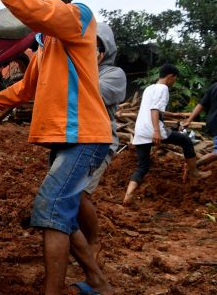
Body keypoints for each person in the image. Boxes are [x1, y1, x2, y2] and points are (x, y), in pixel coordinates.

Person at [0, 0, 115, 294]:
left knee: (51, 207)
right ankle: (97, 282)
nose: (43, 2)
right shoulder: (47, 47)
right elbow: (24, 89)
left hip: (84, 134)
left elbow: (39, 13)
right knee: (62, 211)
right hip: (66, 137)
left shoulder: (79, 17)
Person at [124, 64, 212, 204]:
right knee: (186, 141)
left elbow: (153, 109)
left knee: (143, 166)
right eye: (174, 79)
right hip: (152, 129)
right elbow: (154, 110)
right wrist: (157, 131)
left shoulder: (149, 88)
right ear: (170, 76)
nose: (173, 82)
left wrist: (174, 114)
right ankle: (194, 173)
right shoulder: (163, 88)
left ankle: (128, 195)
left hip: (140, 131)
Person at [76, 22, 127, 264]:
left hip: (100, 143)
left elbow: (91, 92)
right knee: (67, 196)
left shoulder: (113, 74)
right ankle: (77, 244)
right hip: (74, 141)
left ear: (103, 50)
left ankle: (94, 241)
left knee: (80, 194)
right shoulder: (79, 69)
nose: (87, 50)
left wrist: (82, 66)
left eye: (93, 47)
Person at [183, 81, 217, 168]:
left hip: (213, 122)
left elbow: (201, 105)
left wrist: (189, 120)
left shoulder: (214, 86)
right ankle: (192, 166)